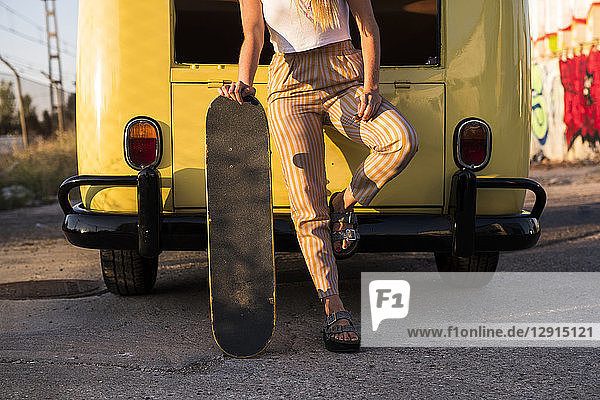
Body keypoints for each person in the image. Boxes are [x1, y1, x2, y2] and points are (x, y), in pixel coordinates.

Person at [218, 0, 419, 352]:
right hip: (288, 86)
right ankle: (333, 305)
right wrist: (243, 82)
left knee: (401, 139)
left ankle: (343, 203)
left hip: (343, 74)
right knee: (307, 205)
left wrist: (371, 84)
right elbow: (254, 34)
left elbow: (367, 26)